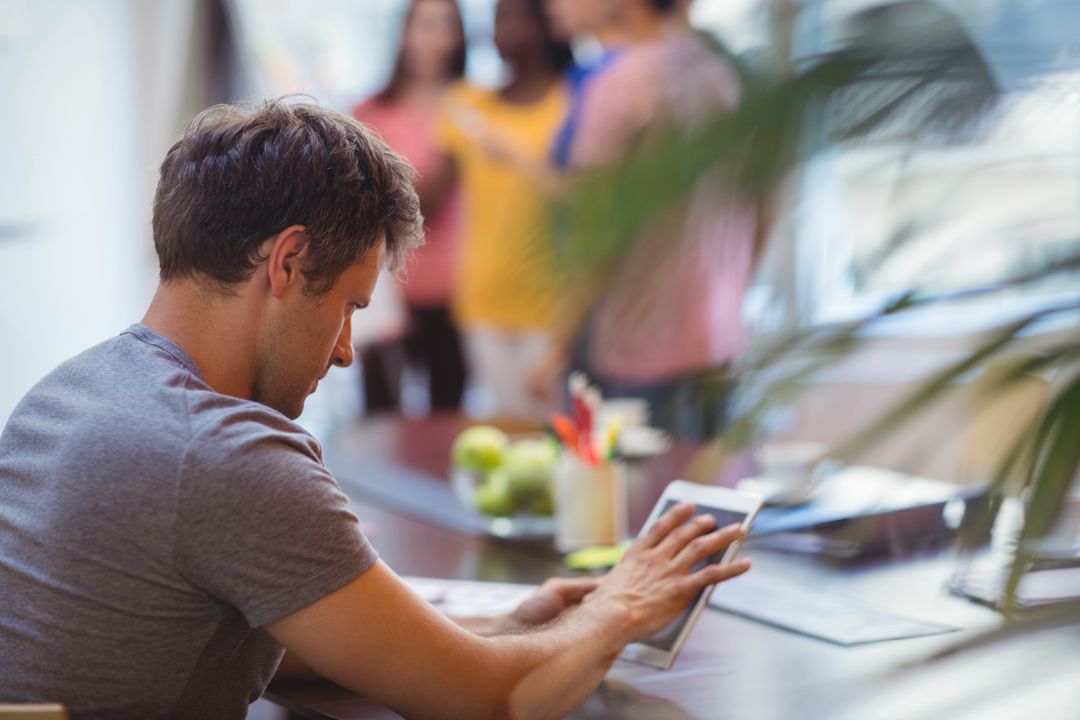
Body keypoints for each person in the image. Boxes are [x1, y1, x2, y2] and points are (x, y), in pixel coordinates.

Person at [0, 99, 751, 718]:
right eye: (349, 306)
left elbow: (244, 626)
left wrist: (493, 625)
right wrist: (617, 609)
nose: (345, 351)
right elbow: (498, 698)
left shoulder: (70, 393)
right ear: (288, 263)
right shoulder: (224, 452)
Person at [532, 0, 759, 440]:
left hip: (638, 348)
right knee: (708, 500)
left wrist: (558, 344)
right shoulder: (723, 75)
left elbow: (594, 235)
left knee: (632, 505)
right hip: (718, 338)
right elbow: (760, 204)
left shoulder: (620, 86)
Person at [424, 0, 572, 421]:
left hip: (552, 303)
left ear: (545, 23)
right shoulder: (468, 104)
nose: (497, 31)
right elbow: (430, 197)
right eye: (494, 20)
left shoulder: (573, 100)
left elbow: (587, 200)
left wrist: (520, 157)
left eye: (510, 17)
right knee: (506, 425)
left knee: (554, 431)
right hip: (482, 297)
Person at [352, 0, 468, 414]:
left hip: (454, 288)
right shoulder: (368, 112)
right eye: (423, 25)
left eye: (444, 26)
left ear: (459, 36)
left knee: (446, 416)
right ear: (403, 33)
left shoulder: (472, 107)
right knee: (380, 414)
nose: (432, 38)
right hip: (381, 286)